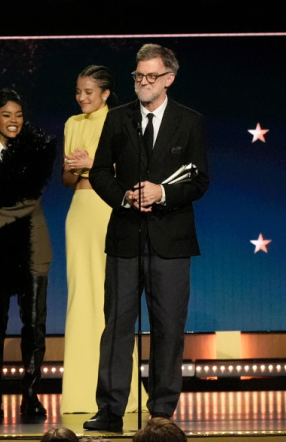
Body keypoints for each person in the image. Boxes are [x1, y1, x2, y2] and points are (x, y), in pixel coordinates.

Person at [84, 44, 210, 429]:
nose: (143, 82)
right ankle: (110, 410)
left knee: (168, 327)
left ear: (169, 79)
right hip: (125, 238)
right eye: (138, 75)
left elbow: (199, 180)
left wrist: (163, 193)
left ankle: (162, 412)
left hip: (171, 241)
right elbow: (99, 172)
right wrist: (125, 197)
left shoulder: (190, 121)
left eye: (151, 76)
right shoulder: (118, 118)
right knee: (117, 325)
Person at [0, 88, 56, 420]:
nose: (14, 121)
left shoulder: (37, 150)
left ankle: (30, 396)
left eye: (18, 115)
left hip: (32, 245)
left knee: (34, 325)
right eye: (6, 115)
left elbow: (28, 200)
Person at [60, 65, 146, 415]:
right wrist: (74, 168)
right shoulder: (72, 124)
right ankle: (80, 393)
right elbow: (67, 178)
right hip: (80, 210)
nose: (81, 98)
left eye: (89, 92)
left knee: (113, 297)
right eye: (78, 91)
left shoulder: (121, 119)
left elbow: (130, 169)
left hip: (110, 207)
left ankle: (120, 392)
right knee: (81, 296)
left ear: (106, 93)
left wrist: (93, 163)